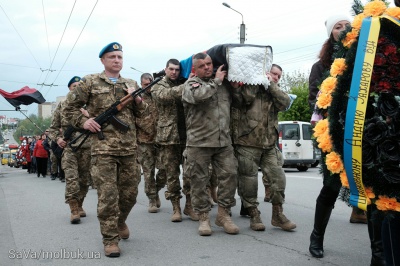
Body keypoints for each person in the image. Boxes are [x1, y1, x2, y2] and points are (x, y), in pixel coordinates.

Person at [307, 15, 382, 264]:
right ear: (330, 35)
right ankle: (316, 238)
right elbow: (314, 101)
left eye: (346, 25)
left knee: (370, 192)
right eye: (337, 26)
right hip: (334, 134)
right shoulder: (321, 66)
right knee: (330, 187)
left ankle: (378, 251)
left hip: (365, 134)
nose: (343, 28)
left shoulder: (366, 58)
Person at [62, 42, 146, 257]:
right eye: (112, 57)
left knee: (130, 195)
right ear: (103, 60)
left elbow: (144, 115)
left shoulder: (131, 83)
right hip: (102, 150)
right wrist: (84, 122)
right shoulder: (89, 82)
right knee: (108, 196)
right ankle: (110, 239)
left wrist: (136, 99)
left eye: (119, 57)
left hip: (129, 149)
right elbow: (69, 109)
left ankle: (120, 221)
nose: (116, 60)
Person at [182, 52, 240, 236]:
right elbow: (200, 96)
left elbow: (239, 103)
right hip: (199, 142)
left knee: (230, 175)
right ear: (195, 69)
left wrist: (235, 87)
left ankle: (223, 215)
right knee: (199, 181)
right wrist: (216, 81)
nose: (207, 67)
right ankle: (204, 217)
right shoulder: (191, 84)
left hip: (223, 142)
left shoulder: (223, 85)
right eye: (202, 65)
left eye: (209, 63)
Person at [233, 62, 296, 232]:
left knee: (278, 179)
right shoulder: (250, 85)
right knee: (248, 181)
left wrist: (271, 86)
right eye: (273, 73)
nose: (275, 77)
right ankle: (254, 215)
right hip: (247, 142)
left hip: (269, 144)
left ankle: (278, 215)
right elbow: (243, 99)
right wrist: (259, 81)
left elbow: (285, 102)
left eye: (278, 76)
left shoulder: (275, 91)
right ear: (265, 72)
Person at [151, 59, 198, 222]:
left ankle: (189, 205)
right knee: (171, 175)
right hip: (169, 137)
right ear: (165, 70)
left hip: (188, 136)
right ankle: (175, 207)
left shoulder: (186, 83)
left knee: (190, 174)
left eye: (177, 70)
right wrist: (187, 85)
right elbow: (165, 96)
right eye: (171, 69)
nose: (174, 72)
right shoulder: (158, 85)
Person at [49, 76, 92, 224]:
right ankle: (73, 209)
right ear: (69, 89)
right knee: (72, 179)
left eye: (79, 86)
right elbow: (53, 128)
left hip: (87, 147)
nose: (77, 88)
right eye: (74, 86)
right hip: (70, 148)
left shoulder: (89, 105)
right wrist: (58, 139)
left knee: (84, 180)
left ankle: (80, 204)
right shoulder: (62, 106)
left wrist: (88, 115)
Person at [135, 73, 167, 213]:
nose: (148, 87)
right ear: (141, 84)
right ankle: (152, 199)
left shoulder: (158, 95)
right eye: (145, 85)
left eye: (150, 84)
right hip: (144, 141)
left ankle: (157, 189)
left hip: (160, 139)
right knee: (148, 172)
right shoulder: (136, 99)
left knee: (164, 170)